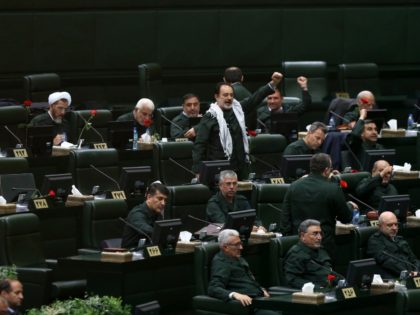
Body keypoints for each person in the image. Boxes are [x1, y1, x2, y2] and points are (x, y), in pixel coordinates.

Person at [192, 72, 283, 180]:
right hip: (220, 168)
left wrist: (273, 83)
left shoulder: (238, 109)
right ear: (216, 96)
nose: (229, 98)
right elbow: (199, 145)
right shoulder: (210, 116)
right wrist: (198, 170)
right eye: (225, 95)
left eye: (231, 95)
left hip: (240, 166)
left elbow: (255, 98)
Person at [280, 153, 356, 258]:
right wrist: (350, 206)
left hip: (298, 245)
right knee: (326, 274)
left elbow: (285, 219)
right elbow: (346, 218)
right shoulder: (332, 189)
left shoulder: (294, 186)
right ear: (326, 170)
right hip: (323, 246)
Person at [208, 229, 279, 315]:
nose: (241, 247)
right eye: (237, 245)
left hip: (260, 299)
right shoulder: (221, 262)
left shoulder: (237, 257)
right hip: (249, 306)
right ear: (225, 247)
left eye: (240, 243)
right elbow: (213, 288)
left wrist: (261, 289)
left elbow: (248, 280)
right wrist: (235, 295)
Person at [284, 219, 341, 289]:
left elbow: (328, 273)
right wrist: (315, 288)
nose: (319, 237)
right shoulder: (296, 254)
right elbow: (292, 280)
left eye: (320, 233)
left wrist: (341, 281)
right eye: (315, 234)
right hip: (311, 295)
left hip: (329, 289)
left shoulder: (321, 250)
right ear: (303, 236)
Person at [367, 211, 420, 277]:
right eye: (390, 225)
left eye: (396, 224)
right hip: (393, 278)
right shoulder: (375, 241)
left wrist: (417, 271)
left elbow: (414, 259)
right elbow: (387, 262)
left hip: (411, 276)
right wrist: (407, 273)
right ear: (380, 226)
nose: (394, 228)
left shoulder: (400, 239)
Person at [121, 182, 168, 248]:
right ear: (149, 197)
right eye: (160, 199)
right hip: (132, 253)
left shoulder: (157, 213)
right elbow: (150, 231)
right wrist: (167, 235)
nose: (163, 203)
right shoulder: (136, 214)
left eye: (165, 200)